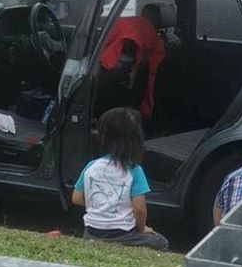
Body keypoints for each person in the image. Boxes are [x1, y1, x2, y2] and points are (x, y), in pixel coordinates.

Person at [71, 107, 169, 250]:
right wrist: (142, 229)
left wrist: (102, 205)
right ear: (135, 140)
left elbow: (76, 198)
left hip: (92, 232)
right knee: (161, 242)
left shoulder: (91, 166)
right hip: (122, 234)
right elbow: (139, 209)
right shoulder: (134, 170)